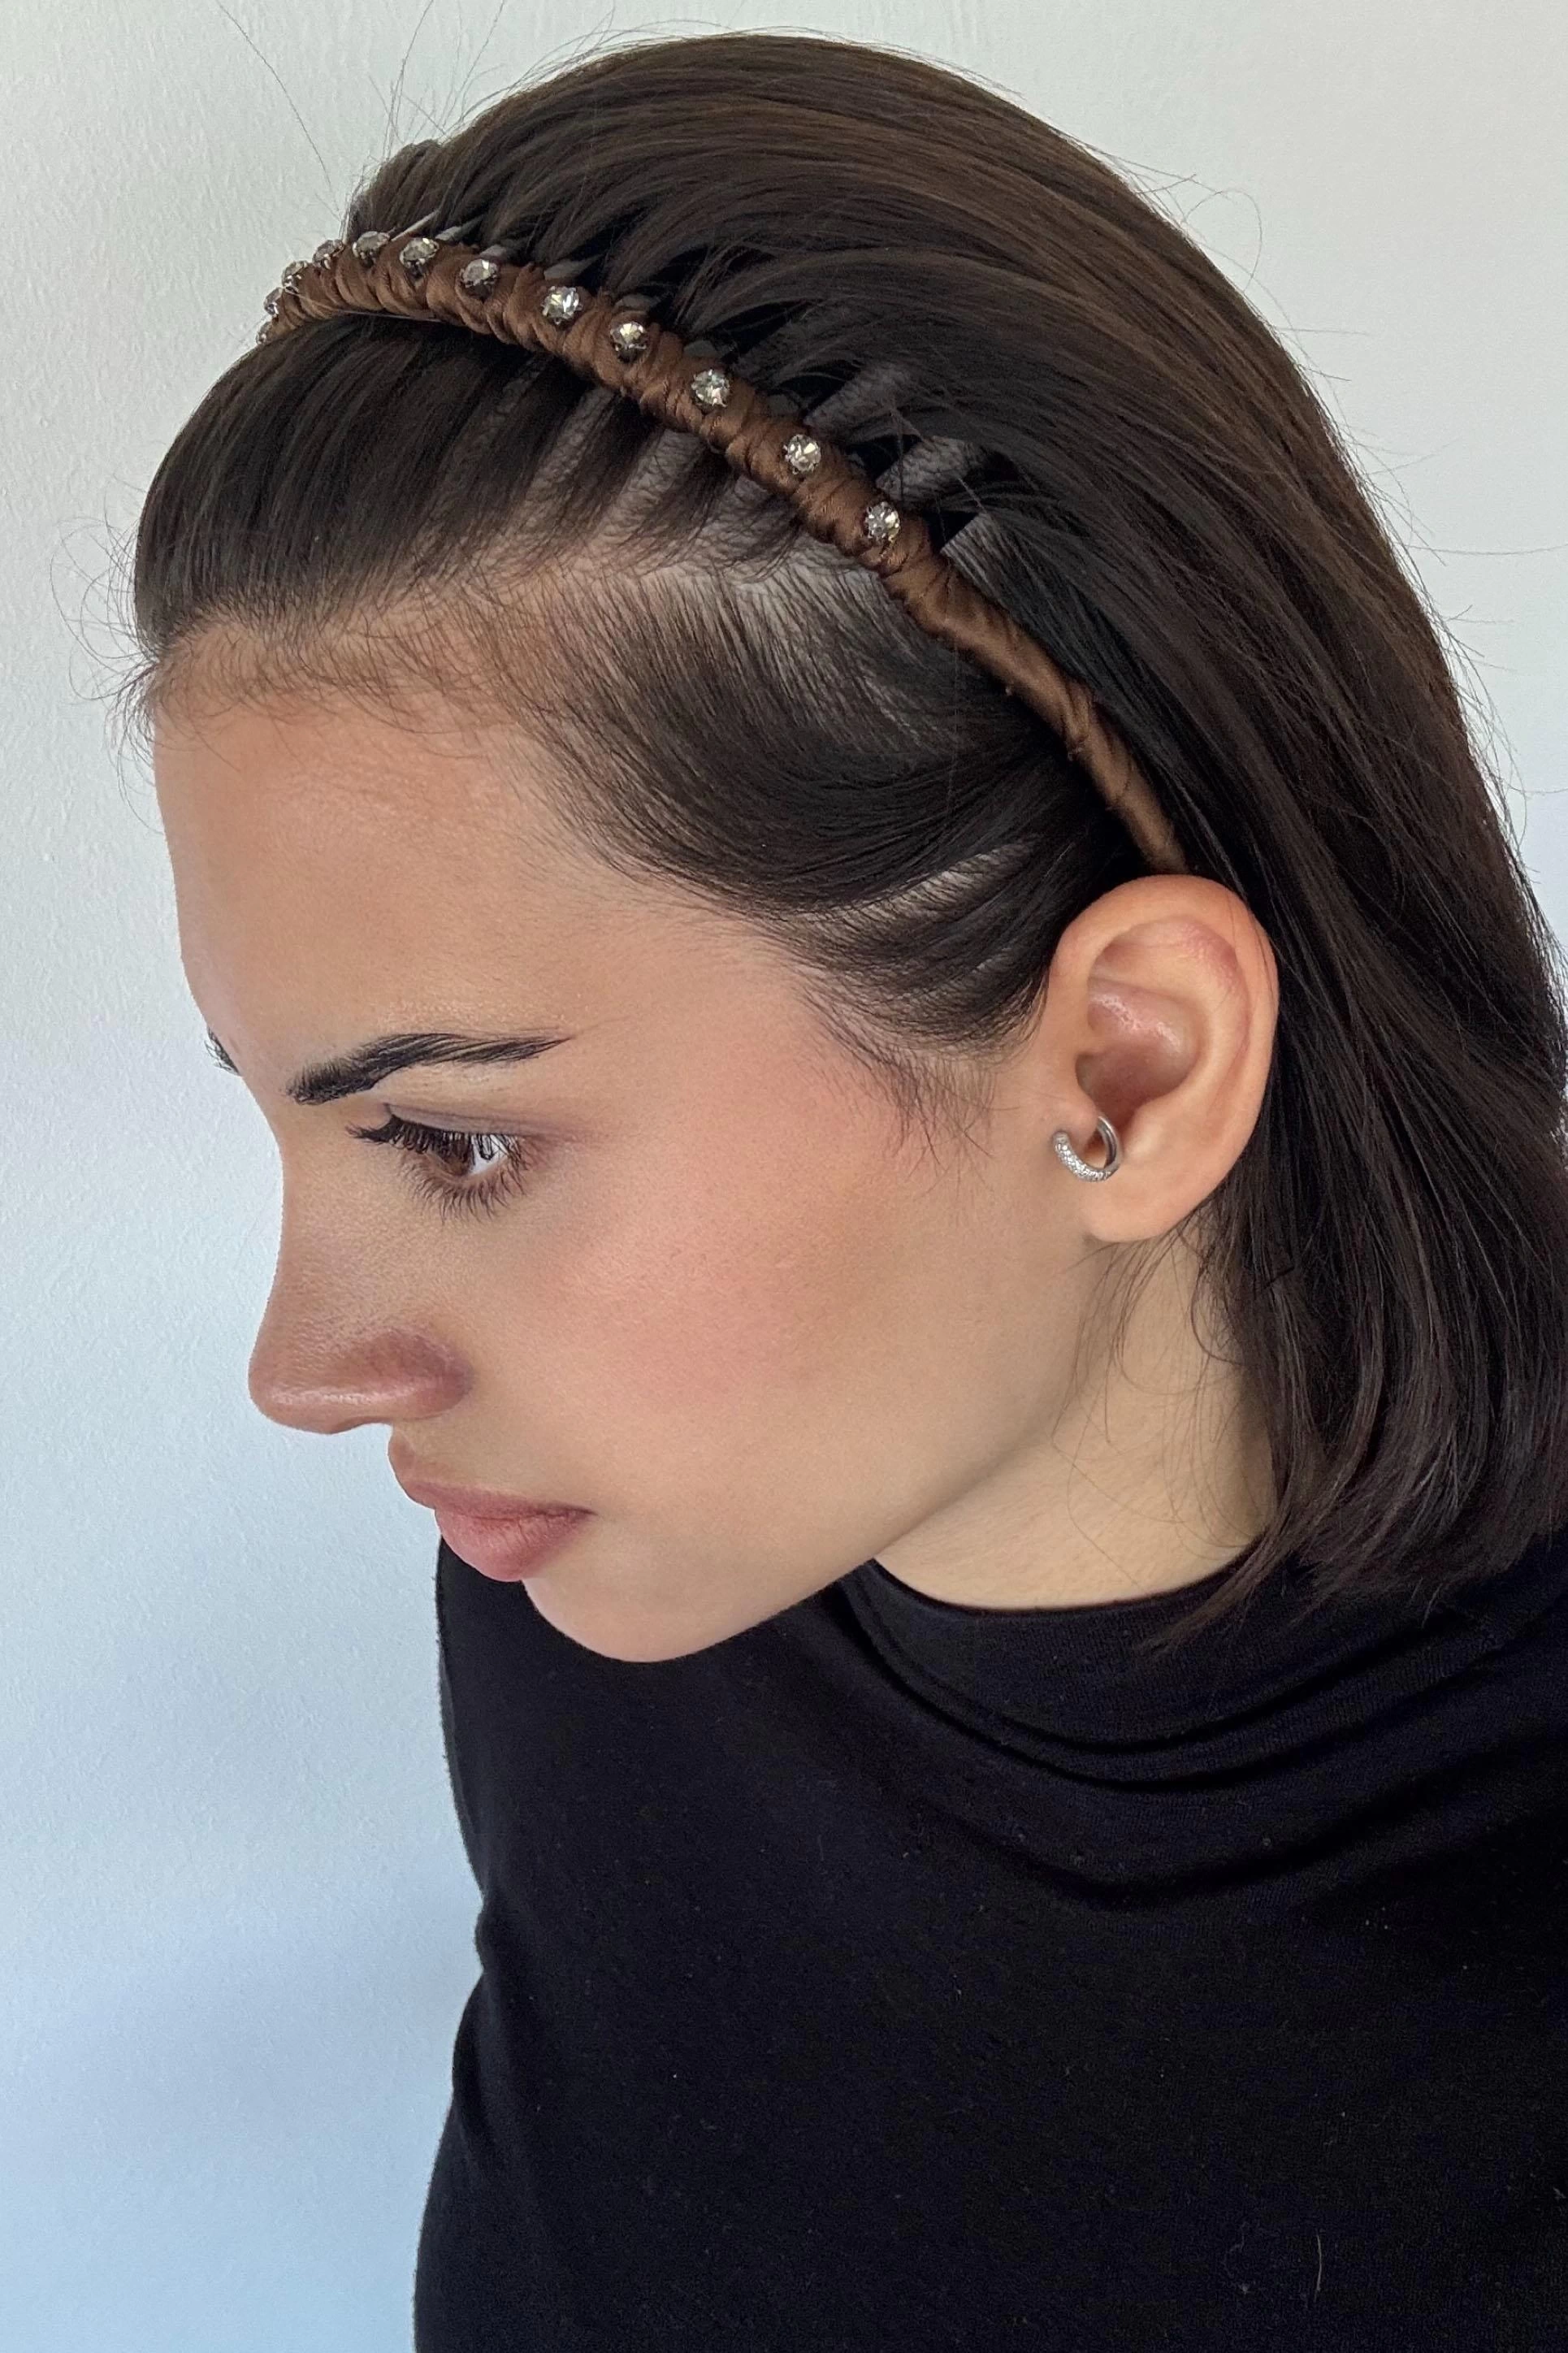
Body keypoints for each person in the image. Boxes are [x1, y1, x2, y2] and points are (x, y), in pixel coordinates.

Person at [130, 30, 1568, 2350]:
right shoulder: (604, 1580)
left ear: (1126, 1067)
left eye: (458, 1141)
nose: (308, 1370)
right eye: (280, 1115)